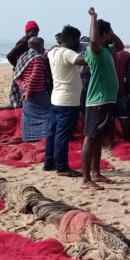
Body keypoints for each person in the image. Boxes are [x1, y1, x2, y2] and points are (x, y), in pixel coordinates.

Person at [80, 7, 124, 190]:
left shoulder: (108, 50)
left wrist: (112, 33)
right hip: (97, 101)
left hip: (107, 101)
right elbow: (93, 40)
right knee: (90, 138)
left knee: (98, 138)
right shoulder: (95, 51)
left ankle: (96, 172)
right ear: (102, 34)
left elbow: (121, 47)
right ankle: (85, 179)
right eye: (107, 34)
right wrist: (94, 19)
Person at [44, 25, 87, 177]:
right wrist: (91, 49)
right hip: (68, 101)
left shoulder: (53, 51)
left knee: (52, 133)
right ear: (69, 38)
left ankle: (49, 162)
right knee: (62, 135)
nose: (78, 42)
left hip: (56, 98)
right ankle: (62, 167)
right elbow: (84, 60)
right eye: (76, 39)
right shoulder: (67, 53)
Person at [0, 20, 41, 115]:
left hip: (24, 75)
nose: (35, 33)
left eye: (37, 31)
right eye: (33, 31)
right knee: (20, 102)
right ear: (27, 32)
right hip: (21, 75)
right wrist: (20, 67)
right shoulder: (23, 43)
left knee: (21, 102)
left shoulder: (32, 42)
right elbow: (10, 56)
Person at [14, 37, 51, 142]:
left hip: (26, 92)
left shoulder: (23, 56)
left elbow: (16, 76)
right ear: (39, 46)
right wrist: (28, 91)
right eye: (42, 45)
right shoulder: (37, 58)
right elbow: (34, 76)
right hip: (37, 93)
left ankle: (29, 137)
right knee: (47, 114)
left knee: (28, 116)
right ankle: (43, 136)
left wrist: (24, 87)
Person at [112, 49, 130, 140]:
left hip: (106, 90)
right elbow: (129, 75)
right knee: (123, 115)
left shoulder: (105, 52)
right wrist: (129, 90)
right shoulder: (125, 54)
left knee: (110, 115)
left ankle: (109, 138)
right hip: (120, 88)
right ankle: (127, 138)